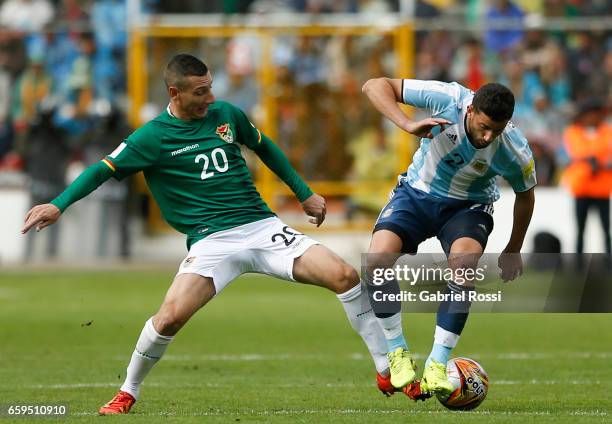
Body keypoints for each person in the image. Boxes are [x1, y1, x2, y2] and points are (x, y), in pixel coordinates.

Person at [21, 54, 393, 414]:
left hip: (262, 228)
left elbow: (264, 147)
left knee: (344, 276)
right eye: (200, 92)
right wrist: (60, 204)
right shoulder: (151, 138)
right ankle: (127, 391)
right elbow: (101, 170)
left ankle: (387, 372)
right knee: (168, 319)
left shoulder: (227, 114)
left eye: (210, 88)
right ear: (174, 93)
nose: (210, 98)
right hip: (212, 242)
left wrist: (304, 193)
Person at [361, 78, 536, 398]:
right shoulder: (448, 98)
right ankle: (397, 352)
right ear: (470, 110)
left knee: (464, 269)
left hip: (467, 208)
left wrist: (514, 248)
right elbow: (374, 85)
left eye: (495, 131)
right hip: (416, 195)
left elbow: (526, 195)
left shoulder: (514, 148)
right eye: (483, 126)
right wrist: (406, 122)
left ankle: (437, 363)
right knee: (377, 262)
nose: (487, 137)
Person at [561, 98, 612, 268]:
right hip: (581, 188)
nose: (592, 117)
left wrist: (592, 158)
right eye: (589, 113)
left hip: (602, 190)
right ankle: (578, 264)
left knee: (606, 230)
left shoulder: (607, 131)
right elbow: (577, 151)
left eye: (595, 113)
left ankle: (608, 263)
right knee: (580, 229)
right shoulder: (573, 131)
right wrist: (597, 159)